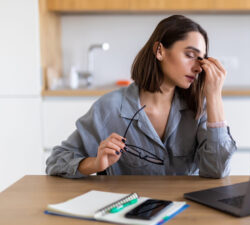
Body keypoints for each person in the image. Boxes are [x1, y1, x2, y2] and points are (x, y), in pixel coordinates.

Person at [46, 15, 237, 178]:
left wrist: (214, 97)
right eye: (189, 55)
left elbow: (217, 171)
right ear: (160, 51)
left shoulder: (199, 107)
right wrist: (95, 164)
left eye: (201, 59)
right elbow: (55, 162)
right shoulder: (109, 108)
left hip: (185, 213)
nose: (198, 67)